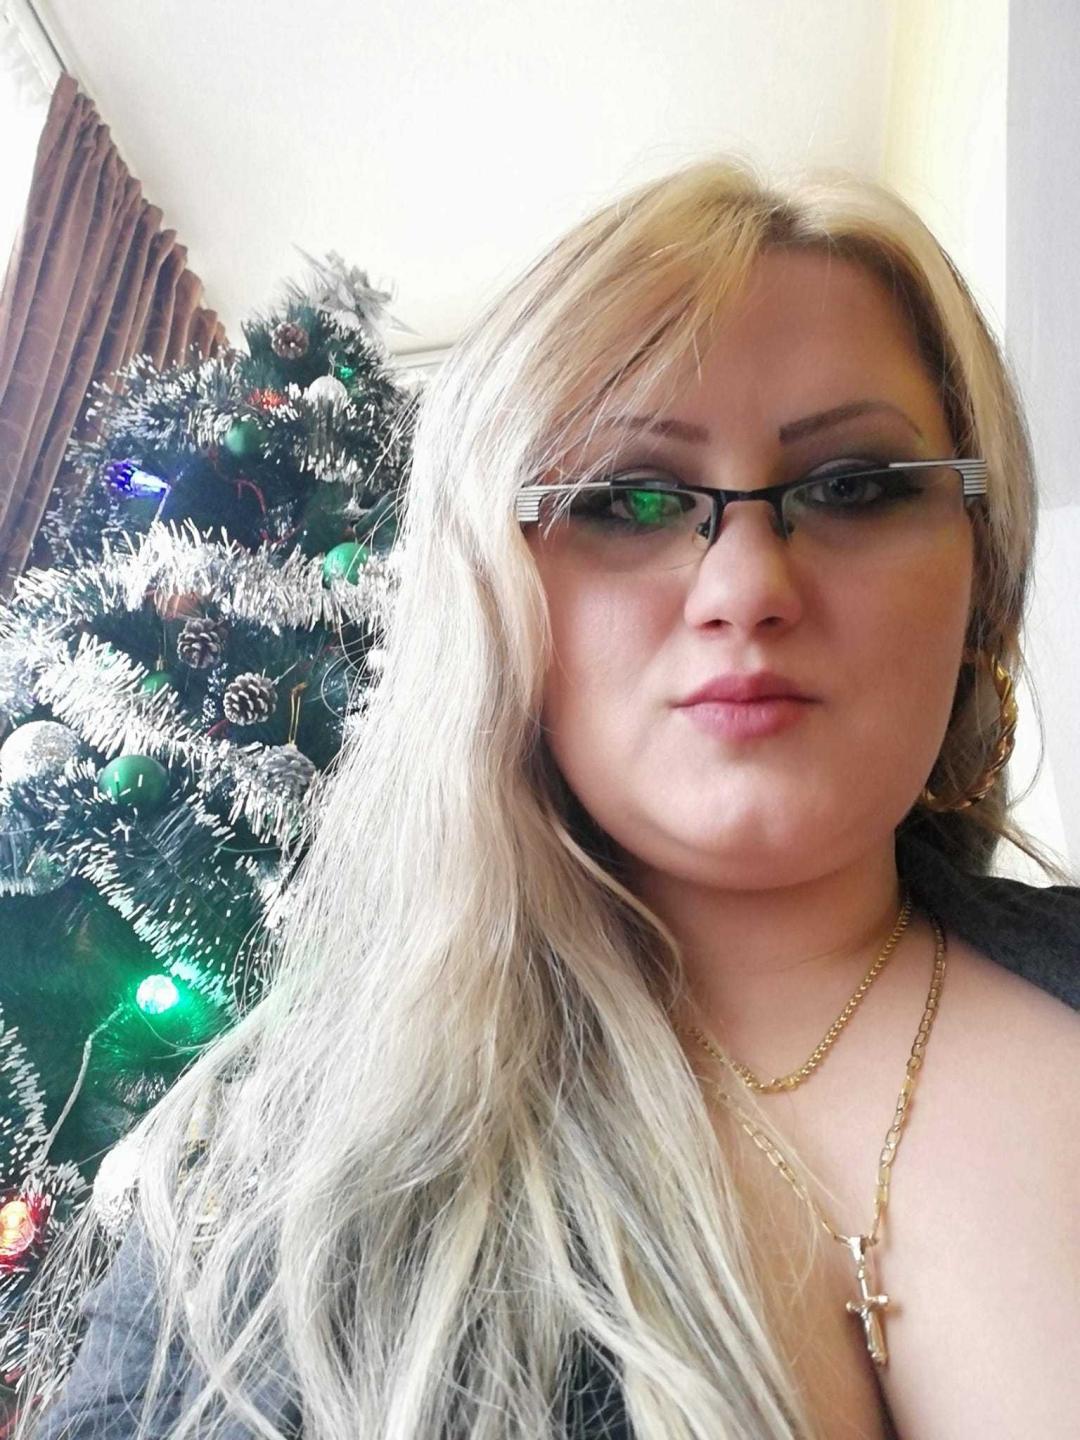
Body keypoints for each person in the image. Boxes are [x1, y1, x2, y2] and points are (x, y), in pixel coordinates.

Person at [19, 154, 1080, 1440]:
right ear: (489, 604)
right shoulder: (250, 1198)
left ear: (982, 576)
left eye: (852, 485)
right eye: (628, 498)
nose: (747, 586)